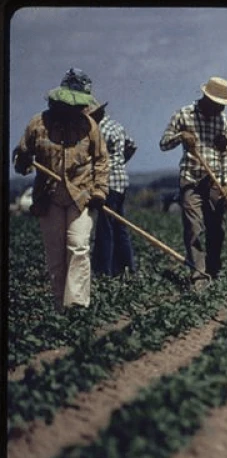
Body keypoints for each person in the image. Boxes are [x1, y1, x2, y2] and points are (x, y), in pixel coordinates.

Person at [12, 68, 109, 313]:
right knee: (55, 254)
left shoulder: (89, 126)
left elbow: (101, 161)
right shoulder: (38, 124)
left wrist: (100, 191)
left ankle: (76, 305)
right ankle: (60, 308)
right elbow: (22, 159)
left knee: (78, 247)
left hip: (81, 196)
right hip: (49, 196)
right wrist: (22, 160)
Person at [159, 76, 227, 291]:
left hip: (215, 181)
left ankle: (214, 270)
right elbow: (163, 143)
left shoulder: (223, 121)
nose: (221, 108)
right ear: (207, 98)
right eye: (218, 104)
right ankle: (198, 276)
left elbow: (226, 155)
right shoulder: (184, 115)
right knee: (193, 228)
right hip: (190, 178)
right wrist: (181, 136)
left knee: (217, 229)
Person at [87, 95, 138, 277]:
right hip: (121, 181)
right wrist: (120, 163)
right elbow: (132, 145)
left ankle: (105, 271)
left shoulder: (98, 131)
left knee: (105, 228)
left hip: (108, 184)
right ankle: (127, 268)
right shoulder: (116, 126)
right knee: (119, 227)